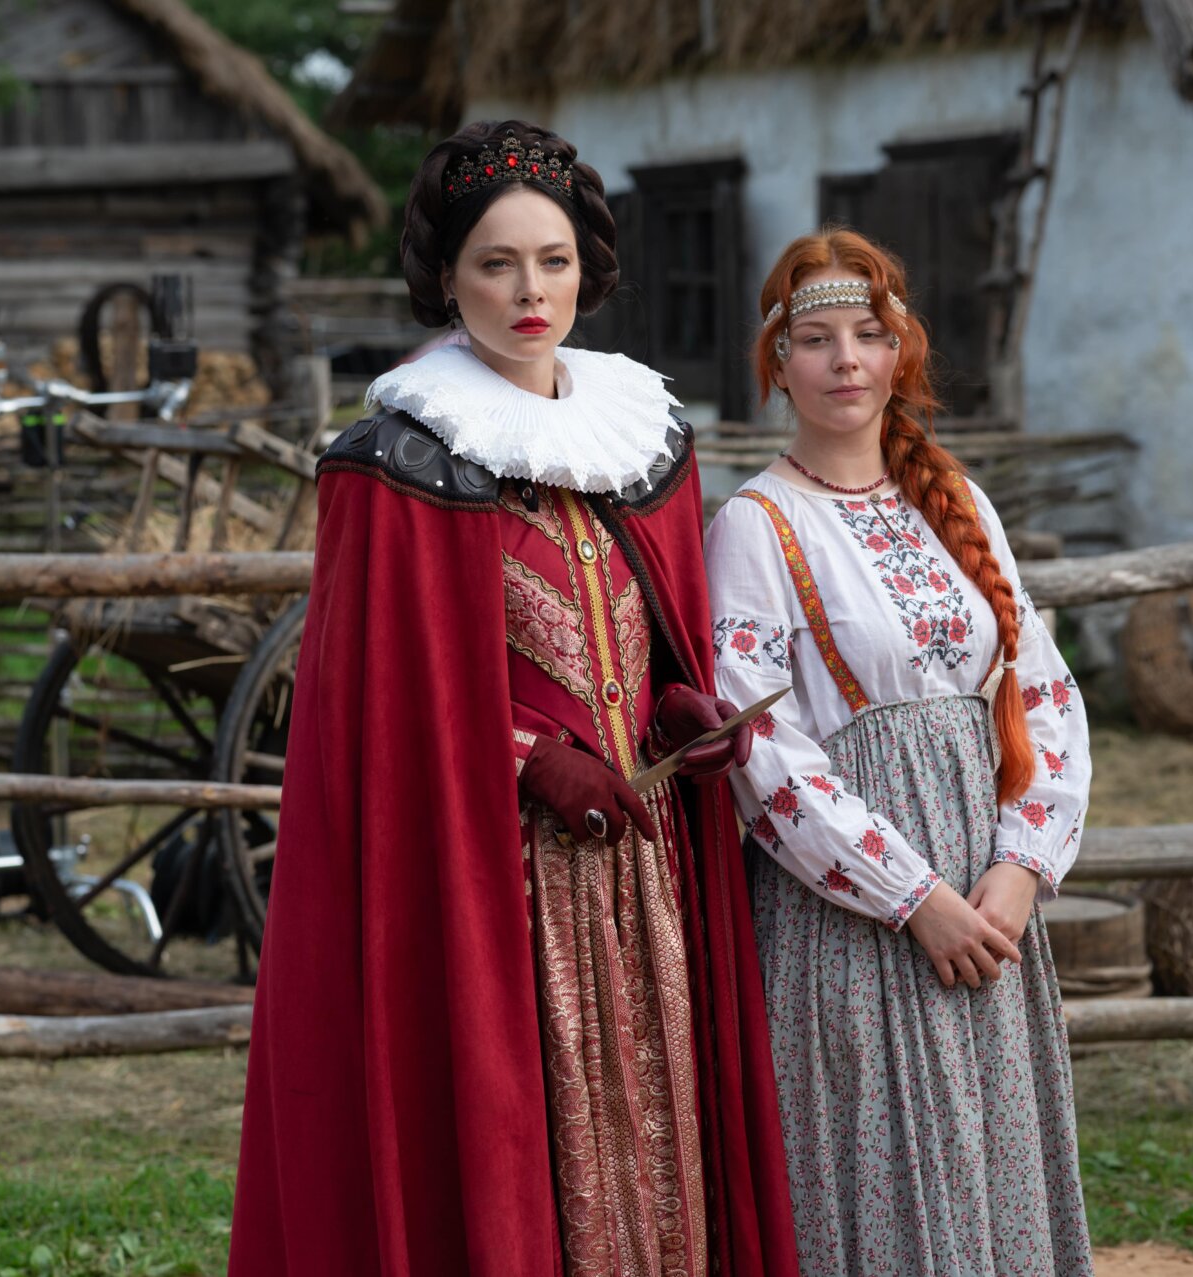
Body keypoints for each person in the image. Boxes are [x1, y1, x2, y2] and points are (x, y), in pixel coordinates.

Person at [228, 120, 799, 1277]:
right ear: (447, 278)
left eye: (553, 259)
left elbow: (660, 624)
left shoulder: (643, 442)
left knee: (667, 1134)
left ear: (588, 269)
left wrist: (678, 706)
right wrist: (531, 754)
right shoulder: (395, 464)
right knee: (520, 1140)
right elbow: (377, 703)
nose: (530, 291)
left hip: (650, 870)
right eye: (496, 263)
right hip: (492, 886)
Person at [703, 228, 1094, 1276]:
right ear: (778, 362)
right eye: (816, 339)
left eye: (867, 334)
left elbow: (1044, 691)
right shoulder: (755, 524)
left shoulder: (956, 498)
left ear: (900, 351)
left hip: (988, 896)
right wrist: (912, 895)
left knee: (989, 1170)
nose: (845, 360)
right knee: (886, 1183)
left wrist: (1021, 865)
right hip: (854, 913)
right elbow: (760, 747)